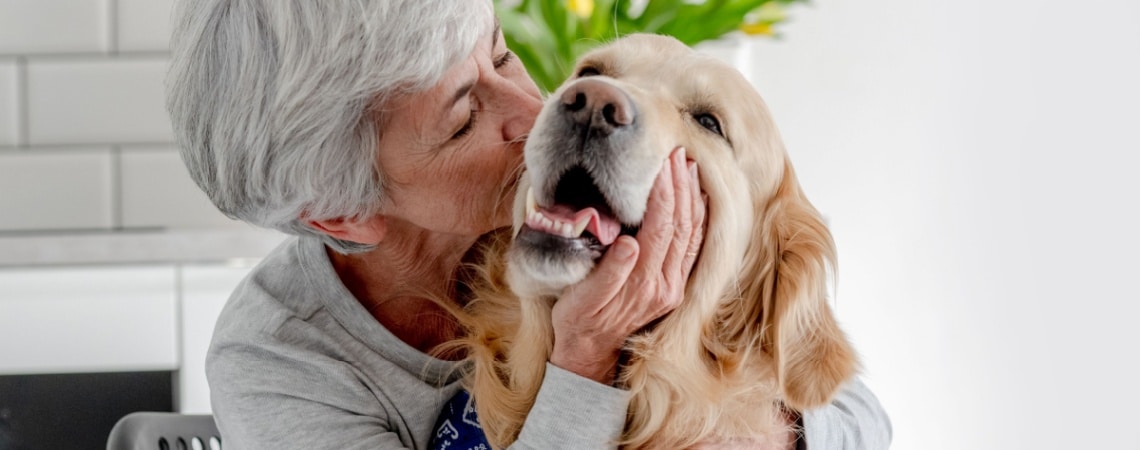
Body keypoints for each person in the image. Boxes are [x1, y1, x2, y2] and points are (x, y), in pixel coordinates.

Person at [166, 1, 891, 449]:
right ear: (344, 213)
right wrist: (582, 358)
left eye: (502, 53)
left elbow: (849, 410)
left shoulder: (581, 209)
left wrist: (750, 438)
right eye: (462, 120)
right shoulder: (282, 362)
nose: (533, 107)